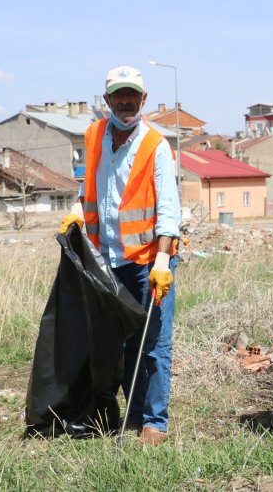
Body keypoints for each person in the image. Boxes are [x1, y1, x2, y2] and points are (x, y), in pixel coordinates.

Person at [59, 65, 181, 447]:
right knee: (123, 344)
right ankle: (136, 411)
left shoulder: (156, 145)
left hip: (149, 263)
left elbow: (169, 211)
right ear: (107, 99)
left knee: (154, 344)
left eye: (133, 95)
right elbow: (90, 186)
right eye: (119, 95)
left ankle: (155, 423)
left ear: (143, 100)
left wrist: (163, 260)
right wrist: (79, 213)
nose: (126, 101)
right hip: (108, 261)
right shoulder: (94, 135)